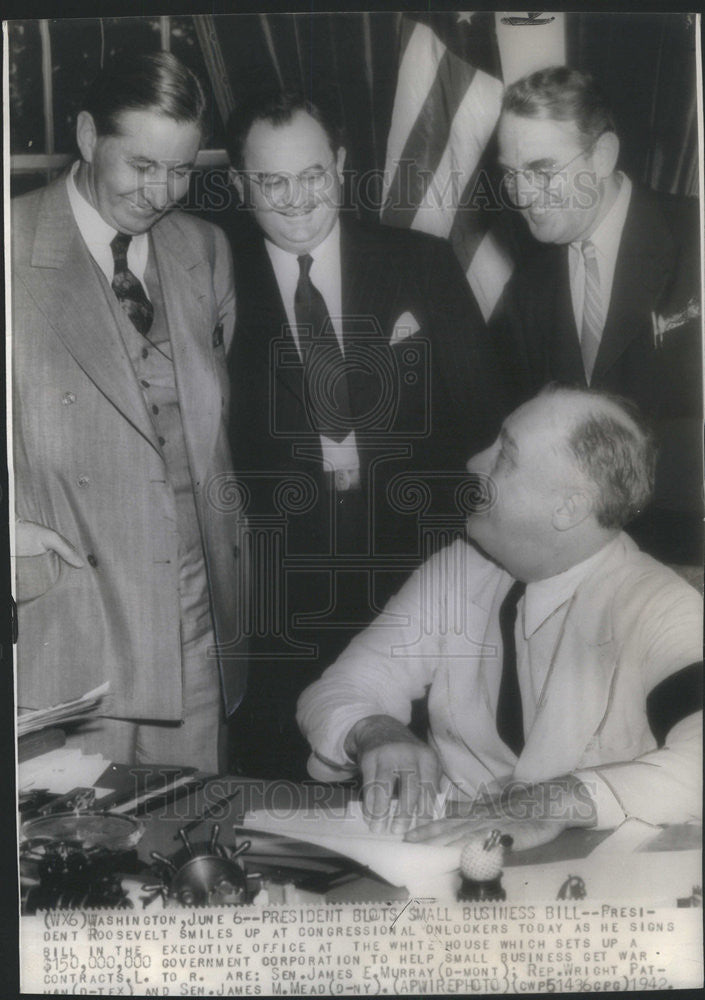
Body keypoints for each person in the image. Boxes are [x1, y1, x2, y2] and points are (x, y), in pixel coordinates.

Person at [222, 90, 506, 779]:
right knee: (287, 778)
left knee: (420, 781)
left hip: (415, 571)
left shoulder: (421, 263)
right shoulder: (211, 277)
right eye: (270, 181)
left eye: (312, 175)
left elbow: (480, 420)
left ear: (341, 165)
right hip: (277, 590)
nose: (295, 200)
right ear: (238, 184)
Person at [297, 385, 702, 851]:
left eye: (504, 455)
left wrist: (555, 801)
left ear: (568, 508)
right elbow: (337, 689)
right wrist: (374, 730)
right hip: (444, 860)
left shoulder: (660, 606)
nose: (474, 462)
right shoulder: (459, 570)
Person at [12, 51, 248, 772]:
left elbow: (205, 423)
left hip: (194, 609)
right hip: (71, 611)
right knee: (73, 858)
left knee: (193, 844)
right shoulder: (9, 244)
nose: (162, 191)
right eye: (141, 165)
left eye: (180, 170)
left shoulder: (203, 250)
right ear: (87, 136)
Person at [493, 66, 702, 566]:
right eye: (510, 174)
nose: (521, 196)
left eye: (542, 170)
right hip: (588, 559)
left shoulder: (695, 237)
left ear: (603, 156)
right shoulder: (529, 284)